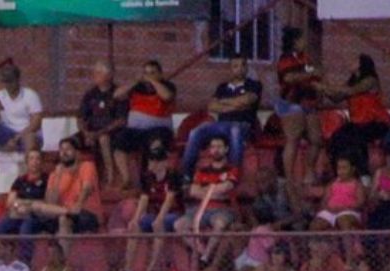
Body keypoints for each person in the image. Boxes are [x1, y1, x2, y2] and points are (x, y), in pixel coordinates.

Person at [182, 57, 262, 178]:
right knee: (196, 131)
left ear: (246, 68)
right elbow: (212, 106)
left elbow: (247, 100)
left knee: (235, 130)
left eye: (243, 65)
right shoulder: (222, 87)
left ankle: (232, 174)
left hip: (243, 125)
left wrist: (223, 103)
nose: (239, 69)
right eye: (235, 66)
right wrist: (236, 105)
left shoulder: (254, 84)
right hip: (221, 125)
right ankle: (186, 175)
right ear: (230, 69)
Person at [176, 135, 240, 271]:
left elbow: (227, 187)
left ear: (226, 149)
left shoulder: (231, 169)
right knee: (179, 225)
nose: (216, 150)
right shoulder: (202, 170)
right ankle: (202, 251)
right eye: (213, 147)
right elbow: (193, 191)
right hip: (201, 209)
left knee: (220, 224)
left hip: (222, 209)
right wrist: (215, 190)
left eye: (219, 147)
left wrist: (204, 190)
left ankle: (205, 257)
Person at [112, 60, 177, 191]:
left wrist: (153, 81)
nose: (148, 75)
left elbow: (167, 96)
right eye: (146, 73)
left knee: (156, 144)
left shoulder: (168, 85)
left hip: (159, 130)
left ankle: (152, 180)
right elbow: (117, 95)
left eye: (152, 73)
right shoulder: (136, 87)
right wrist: (135, 82)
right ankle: (126, 179)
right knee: (118, 141)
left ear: (160, 74)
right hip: (136, 131)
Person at [324, 54, 390, 178]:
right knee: (337, 138)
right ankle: (340, 173)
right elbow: (335, 97)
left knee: (356, 138)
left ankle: (364, 174)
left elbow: (352, 91)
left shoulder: (370, 80)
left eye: (355, 60)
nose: (351, 62)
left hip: (376, 122)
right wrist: (321, 85)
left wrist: (331, 87)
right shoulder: (351, 82)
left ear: (362, 64)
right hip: (358, 124)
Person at [275, 27, 324, 197]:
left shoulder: (305, 58)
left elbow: (315, 75)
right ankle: (289, 179)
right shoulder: (285, 59)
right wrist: (308, 76)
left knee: (317, 139)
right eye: (302, 40)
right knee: (293, 139)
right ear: (294, 41)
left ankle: (309, 172)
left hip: (308, 102)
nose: (305, 43)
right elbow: (288, 78)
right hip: (290, 103)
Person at [125, 137, 182, 271]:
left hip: (174, 213)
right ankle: (127, 268)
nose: (153, 164)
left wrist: (160, 219)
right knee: (134, 227)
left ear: (164, 162)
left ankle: (152, 267)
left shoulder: (173, 176)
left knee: (158, 226)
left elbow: (169, 200)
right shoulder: (147, 177)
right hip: (155, 213)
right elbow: (144, 198)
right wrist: (135, 218)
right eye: (151, 161)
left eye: (157, 161)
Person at [0, 64, 42, 173]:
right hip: (6, 133)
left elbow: (36, 122)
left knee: (30, 138)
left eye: (10, 81)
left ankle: (29, 174)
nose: (8, 85)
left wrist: (17, 138)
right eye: (5, 82)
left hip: (25, 133)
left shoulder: (30, 95)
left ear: (17, 80)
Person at [78, 61, 128, 187]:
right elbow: (81, 117)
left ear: (109, 75)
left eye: (99, 72)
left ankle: (109, 176)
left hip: (110, 131)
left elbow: (121, 120)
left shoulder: (118, 93)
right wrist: (86, 133)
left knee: (103, 139)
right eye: (95, 72)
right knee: (68, 143)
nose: (95, 74)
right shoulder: (90, 94)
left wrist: (98, 133)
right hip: (90, 131)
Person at [0, 149, 51, 253]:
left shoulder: (48, 179)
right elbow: (10, 202)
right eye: (31, 158)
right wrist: (18, 205)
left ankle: (25, 263)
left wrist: (25, 205)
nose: (35, 162)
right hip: (18, 213)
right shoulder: (20, 180)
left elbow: (47, 201)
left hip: (37, 215)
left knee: (25, 229)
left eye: (38, 159)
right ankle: (0, 259)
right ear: (27, 162)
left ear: (41, 162)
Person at [43, 137, 103, 238]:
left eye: (68, 149)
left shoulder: (87, 166)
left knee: (63, 219)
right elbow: (50, 202)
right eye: (61, 149)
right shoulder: (54, 174)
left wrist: (78, 205)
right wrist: (58, 177)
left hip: (87, 213)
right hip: (63, 212)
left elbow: (86, 189)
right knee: (33, 221)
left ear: (77, 152)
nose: (64, 152)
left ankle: (64, 253)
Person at [310, 156, 366, 232]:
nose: (341, 171)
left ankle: (347, 244)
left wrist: (344, 208)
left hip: (349, 211)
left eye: (344, 168)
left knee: (343, 221)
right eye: (339, 168)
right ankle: (316, 243)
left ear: (352, 169)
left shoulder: (357, 184)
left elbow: (360, 202)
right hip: (330, 211)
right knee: (315, 225)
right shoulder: (332, 183)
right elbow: (324, 201)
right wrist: (329, 209)